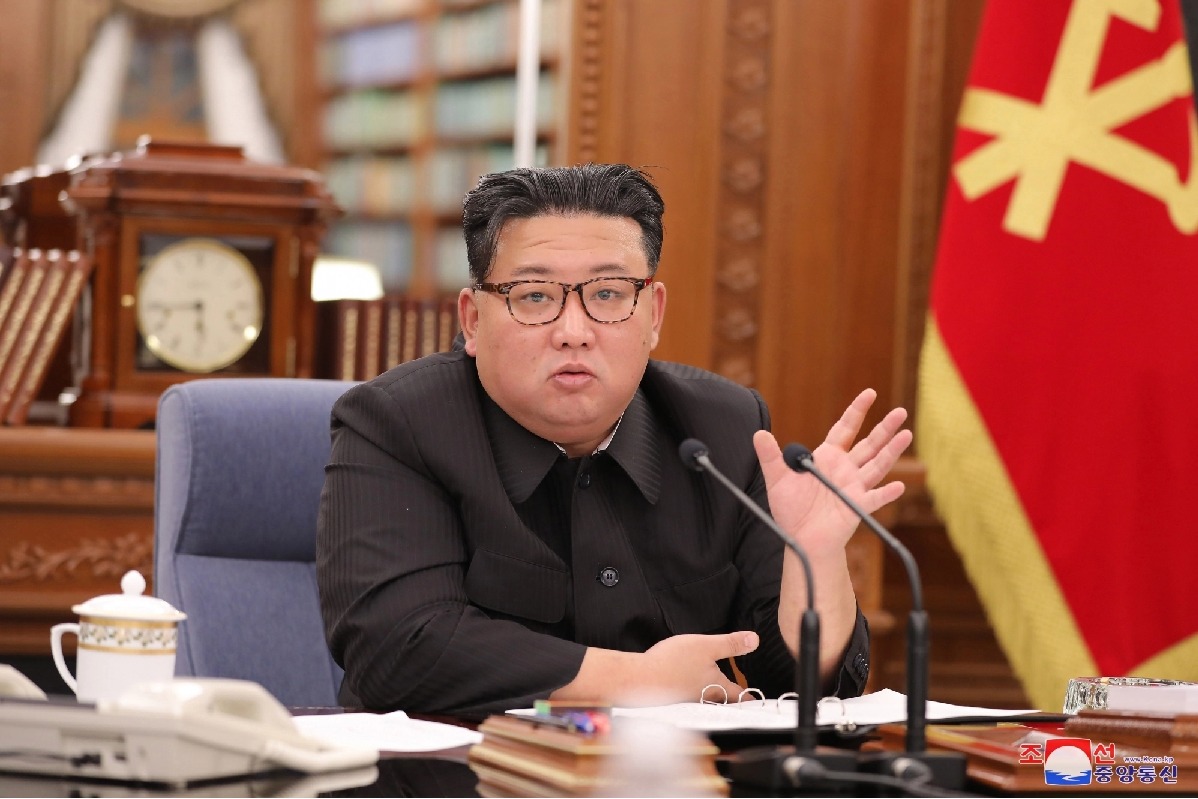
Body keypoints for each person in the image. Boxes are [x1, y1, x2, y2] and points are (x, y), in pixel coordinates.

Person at [316, 163, 911, 716]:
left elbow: (803, 686)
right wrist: (636, 680)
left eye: (607, 294)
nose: (573, 332)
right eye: (535, 296)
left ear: (653, 314)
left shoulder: (724, 431)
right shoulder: (396, 423)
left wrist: (816, 560)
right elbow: (395, 645)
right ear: (473, 320)